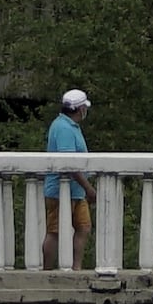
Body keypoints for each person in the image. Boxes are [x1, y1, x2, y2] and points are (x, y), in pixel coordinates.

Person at [45, 84, 97, 269]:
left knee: (83, 227)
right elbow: (69, 163)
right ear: (80, 109)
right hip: (61, 191)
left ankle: (76, 267)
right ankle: (47, 270)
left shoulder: (71, 126)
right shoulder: (64, 128)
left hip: (76, 191)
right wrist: (88, 188)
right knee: (55, 231)